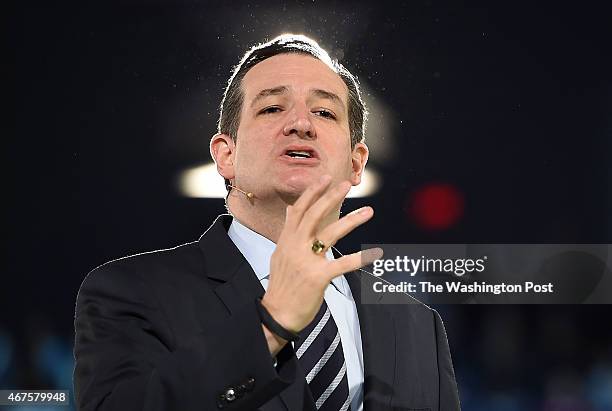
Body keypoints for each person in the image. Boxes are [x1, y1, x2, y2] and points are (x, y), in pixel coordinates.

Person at [73, 34, 460, 411]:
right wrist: (270, 325)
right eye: (272, 108)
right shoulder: (129, 291)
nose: (301, 124)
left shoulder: (419, 326)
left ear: (356, 163)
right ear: (226, 156)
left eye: (324, 112)